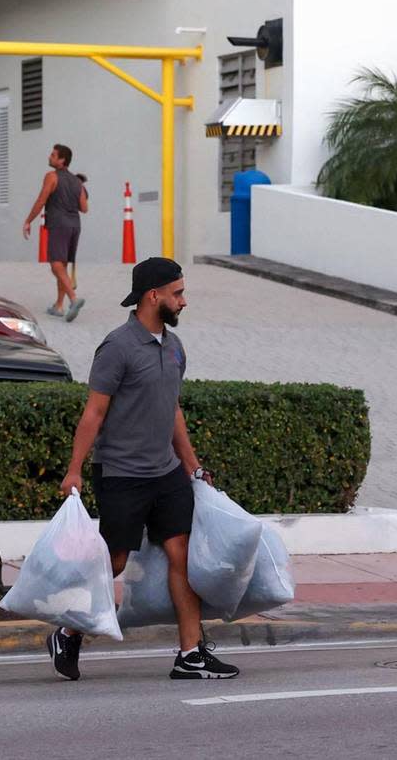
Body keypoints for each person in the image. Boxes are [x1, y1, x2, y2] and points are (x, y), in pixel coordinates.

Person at [49, 257, 241, 682]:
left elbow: (172, 410)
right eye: (178, 293)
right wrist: (74, 470)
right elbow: (94, 413)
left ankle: (190, 654)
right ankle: (68, 630)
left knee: (182, 556)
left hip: (166, 473)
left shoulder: (174, 348)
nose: (183, 301)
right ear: (153, 296)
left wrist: (192, 467)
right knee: (113, 562)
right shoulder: (116, 347)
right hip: (121, 472)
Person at [23, 144, 89, 321]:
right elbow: (84, 208)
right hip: (75, 224)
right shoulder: (77, 182)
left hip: (59, 224)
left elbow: (41, 200)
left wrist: (28, 220)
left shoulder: (51, 176)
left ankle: (73, 299)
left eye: (53, 155)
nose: (50, 157)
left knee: (55, 264)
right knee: (63, 265)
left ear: (62, 160)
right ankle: (58, 306)